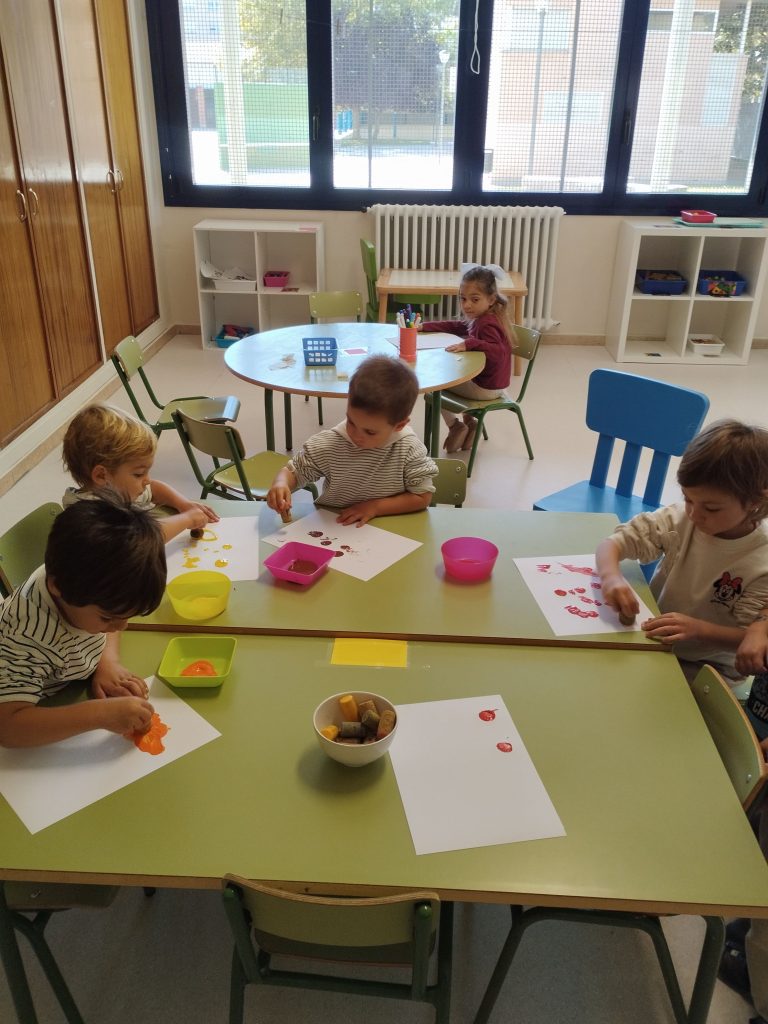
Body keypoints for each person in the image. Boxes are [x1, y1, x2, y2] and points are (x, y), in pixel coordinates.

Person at [595, 418, 768, 683]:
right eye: (688, 499)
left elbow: (752, 638)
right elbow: (612, 544)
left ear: (755, 501)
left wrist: (699, 630)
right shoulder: (681, 518)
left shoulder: (761, 559)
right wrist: (611, 577)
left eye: (711, 508)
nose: (695, 514)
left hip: (709, 669)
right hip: (654, 644)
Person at [0, 495, 167, 748]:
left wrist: (107, 661)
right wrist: (99, 714)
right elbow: (8, 728)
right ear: (58, 588)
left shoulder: (83, 584)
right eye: (108, 618)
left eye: (127, 616)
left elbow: (112, 614)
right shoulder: (24, 637)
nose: (121, 627)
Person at [267, 354, 437, 527]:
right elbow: (294, 472)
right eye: (351, 422)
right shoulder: (331, 443)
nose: (356, 435)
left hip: (390, 528)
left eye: (370, 432)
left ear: (399, 425)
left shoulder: (409, 450)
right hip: (334, 527)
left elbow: (422, 496)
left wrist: (375, 507)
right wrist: (281, 483)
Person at [62, 403, 219, 542]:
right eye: (138, 474)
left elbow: (154, 488)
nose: (147, 480)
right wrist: (187, 519)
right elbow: (140, 539)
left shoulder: (118, 490)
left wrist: (183, 504)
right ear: (101, 475)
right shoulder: (88, 515)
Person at [419, 263, 517, 452]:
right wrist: (425, 326)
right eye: (463, 298)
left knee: (434, 383)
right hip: (491, 384)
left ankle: (455, 426)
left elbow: (498, 351)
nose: (467, 305)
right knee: (454, 373)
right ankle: (471, 423)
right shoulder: (483, 317)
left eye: (474, 299)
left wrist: (469, 343)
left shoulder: (486, 323)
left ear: (491, 299)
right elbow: (457, 326)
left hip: (486, 388)